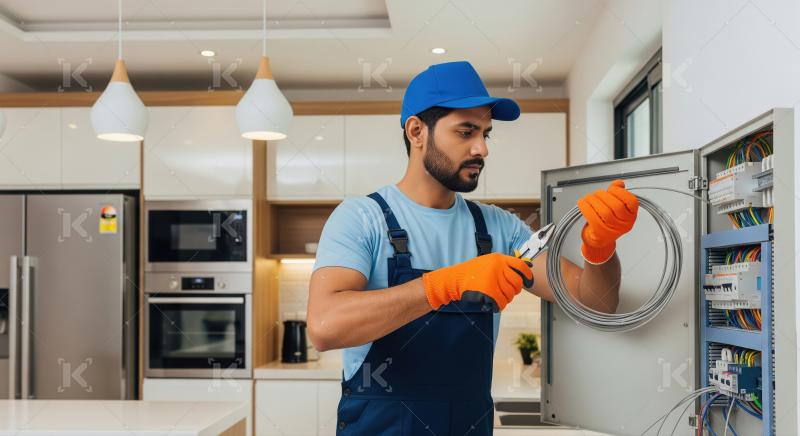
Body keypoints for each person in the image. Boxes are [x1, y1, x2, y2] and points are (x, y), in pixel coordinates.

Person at [307, 61, 639, 435]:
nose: (481, 148)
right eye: (465, 132)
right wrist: (442, 285)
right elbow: (323, 327)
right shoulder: (362, 218)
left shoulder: (500, 228)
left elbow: (596, 303)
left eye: (485, 134)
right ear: (417, 131)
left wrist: (600, 248)